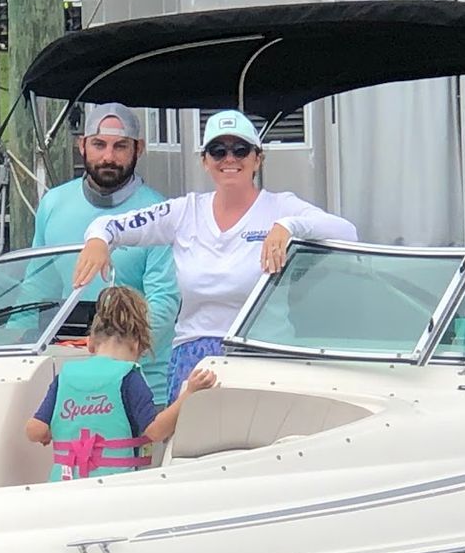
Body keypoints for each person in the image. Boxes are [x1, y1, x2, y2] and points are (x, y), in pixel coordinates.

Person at [73, 110, 357, 399]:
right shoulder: (185, 211)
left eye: (241, 150)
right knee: (189, 443)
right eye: (218, 151)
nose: (230, 159)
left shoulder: (281, 206)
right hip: (196, 359)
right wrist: (98, 240)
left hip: (265, 353)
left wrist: (288, 226)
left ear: (257, 159)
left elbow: (346, 231)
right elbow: (108, 225)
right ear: (205, 161)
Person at [32, 102, 178, 404]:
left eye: (120, 146)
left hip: (142, 383)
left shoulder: (159, 214)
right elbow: (36, 288)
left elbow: (164, 305)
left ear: (138, 149)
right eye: (99, 144)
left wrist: (109, 355)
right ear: (82, 145)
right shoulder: (52, 204)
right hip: (68, 375)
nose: (108, 157)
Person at [25, 286, 217, 481]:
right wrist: (188, 394)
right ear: (137, 345)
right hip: (114, 485)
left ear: (90, 343)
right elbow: (156, 431)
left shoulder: (65, 376)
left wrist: (49, 433)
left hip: (65, 483)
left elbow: (34, 430)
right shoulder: (128, 377)